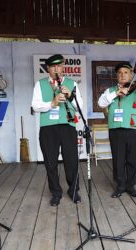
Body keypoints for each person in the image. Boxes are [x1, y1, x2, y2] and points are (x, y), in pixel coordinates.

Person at [32, 54, 83, 206]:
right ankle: (56, 192)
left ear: (63, 67)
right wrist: (52, 103)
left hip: (68, 127)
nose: (56, 69)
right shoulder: (39, 84)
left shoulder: (72, 84)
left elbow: (79, 107)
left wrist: (70, 96)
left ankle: (73, 190)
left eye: (59, 66)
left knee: (71, 160)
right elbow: (35, 106)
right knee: (50, 161)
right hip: (48, 128)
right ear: (48, 68)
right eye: (53, 66)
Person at [98, 61, 136, 198]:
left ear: (131, 75)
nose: (123, 75)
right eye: (120, 73)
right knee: (118, 159)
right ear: (117, 76)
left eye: (126, 73)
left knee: (133, 159)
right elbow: (101, 103)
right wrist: (117, 93)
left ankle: (131, 185)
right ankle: (120, 185)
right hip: (115, 130)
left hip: (132, 128)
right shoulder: (110, 91)